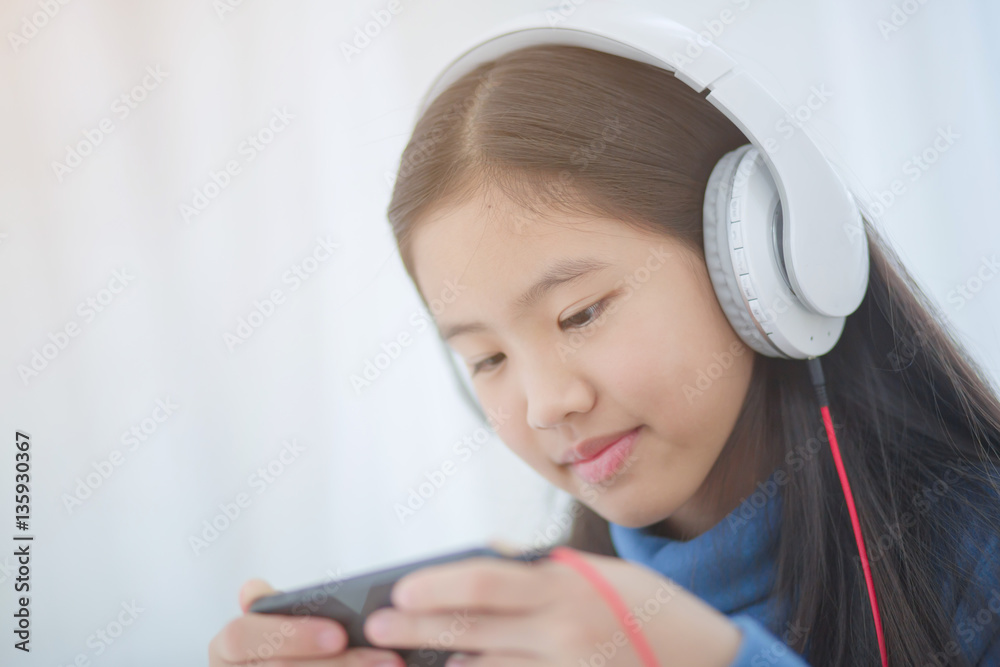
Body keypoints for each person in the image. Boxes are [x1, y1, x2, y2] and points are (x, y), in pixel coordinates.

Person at [209, 44, 1000, 667]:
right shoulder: (538, 634)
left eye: (580, 312)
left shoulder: (977, 554)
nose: (545, 402)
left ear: (765, 261)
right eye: (486, 359)